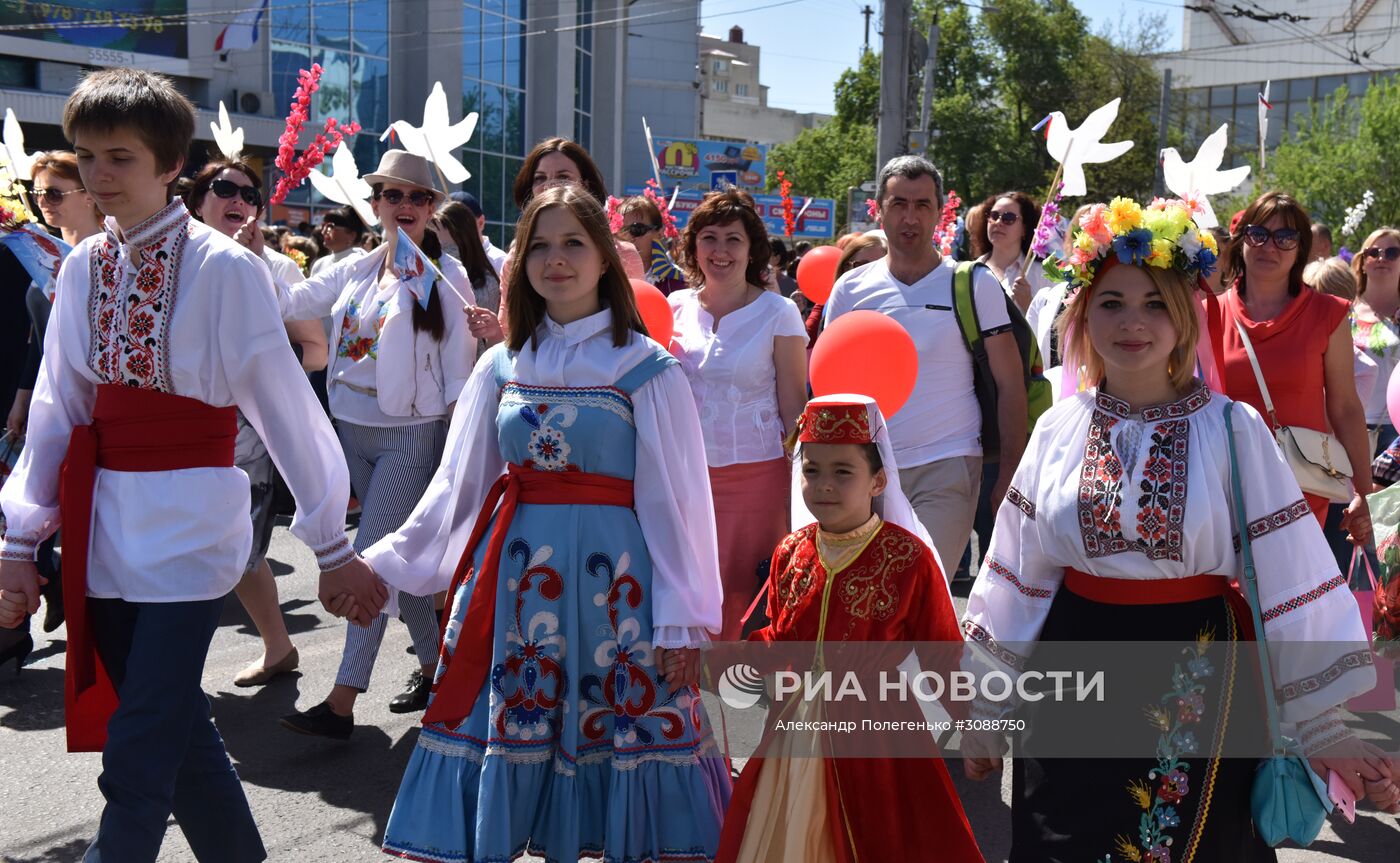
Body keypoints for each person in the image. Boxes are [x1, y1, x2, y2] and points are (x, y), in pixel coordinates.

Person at [0, 67, 382, 862]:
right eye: (86, 156)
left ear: (171, 164)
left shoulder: (225, 267)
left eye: (120, 157)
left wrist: (332, 539)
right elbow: (56, 408)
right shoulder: (79, 268)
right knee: (174, 723)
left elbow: (285, 405)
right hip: (104, 525)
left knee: (138, 737)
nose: (99, 176)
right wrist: (20, 537)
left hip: (190, 527)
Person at [961, 196, 1398, 860]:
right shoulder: (1058, 428)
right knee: (1061, 837)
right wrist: (988, 708)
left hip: (1196, 668)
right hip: (1073, 669)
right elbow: (1017, 572)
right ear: (1082, 313)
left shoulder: (1233, 428)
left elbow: (1291, 577)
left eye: (1155, 303)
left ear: (1187, 318)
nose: (1132, 321)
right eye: (1111, 302)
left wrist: (1321, 724)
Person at [360, 183, 730, 860]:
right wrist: (380, 564)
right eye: (539, 245)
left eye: (573, 243)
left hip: (619, 592)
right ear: (519, 261)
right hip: (516, 587)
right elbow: (457, 487)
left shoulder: (646, 368)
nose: (555, 260)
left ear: (604, 259)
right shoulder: (501, 364)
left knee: (626, 729)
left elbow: (678, 507)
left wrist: (686, 618)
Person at [255, 149, 492, 738]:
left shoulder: (448, 276)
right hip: (353, 435)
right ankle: (443, 677)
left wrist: (460, 460)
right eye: (393, 195)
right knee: (405, 569)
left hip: (410, 441)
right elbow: (289, 303)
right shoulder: (357, 269)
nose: (405, 205)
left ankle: (341, 700)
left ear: (433, 208)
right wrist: (249, 248)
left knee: (370, 561)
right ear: (377, 204)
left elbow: (462, 376)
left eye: (418, 197)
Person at [715, 395, 983, 863]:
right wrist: (708, 662)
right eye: (812, 470)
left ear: (878, 479)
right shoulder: (790, 553)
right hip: (792, 731)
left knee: (877, 835)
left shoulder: (908, 558)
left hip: (877, 735)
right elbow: (776, 642)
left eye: (843, 471)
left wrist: (971, 727)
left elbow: (942, 656)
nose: (824, 485)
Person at [824, 156, 1027, 578]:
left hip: (948, 466)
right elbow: (830, 388)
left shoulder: (974, 283)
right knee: (867, 600)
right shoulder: (850, 289)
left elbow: (1011, 384)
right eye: (899, 204)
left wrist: (1009, 474)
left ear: (940, 212)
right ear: (878, 209)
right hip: (867, 468)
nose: (910, 217)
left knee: (919, 594)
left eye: (922, 205)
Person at [184, 156, 330, 688]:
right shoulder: (171, 261)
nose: (239, 201)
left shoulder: (277, 268)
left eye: (251, 195)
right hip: (179, 424)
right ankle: (278, 647)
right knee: (207, 545)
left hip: (245, 429)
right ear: (196, 200)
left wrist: (257, 293)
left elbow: (315, 353)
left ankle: (179, 674)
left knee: (231, 547)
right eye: (225, 188)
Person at [670, 190, 808, 639]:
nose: (721, 251)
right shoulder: (673, 310)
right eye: (709, 238)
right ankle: (695, 695)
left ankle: (748, 690)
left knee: (750, 598)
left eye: (733, 239)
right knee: (692, 592)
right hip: (686, 478)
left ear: (752, 250)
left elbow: (793, 403)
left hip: (760, 477)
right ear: (693, 247)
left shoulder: (779, 312)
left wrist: (804, 480)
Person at [1205, 192, 1373, 534]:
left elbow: (1345, 408)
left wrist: (1364, 491)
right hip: (1221, 491)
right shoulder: (1208, 313)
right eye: (1258, 234)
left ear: (1301, 249)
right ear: (1241, 242)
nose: (1270, 246)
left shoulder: (1328, 313)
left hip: (1299, 495)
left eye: (1285, 238)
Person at [430, 199, 505, 359]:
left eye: (437, 236)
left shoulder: (486, 280)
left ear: (461, 236)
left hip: (473, 364)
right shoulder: (430, 270)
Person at [1350, 227, 1400, 452]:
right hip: (1349, 423)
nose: (1382, 258)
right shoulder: (1343, 310)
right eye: (1373, 252)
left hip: (1395, 431)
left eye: (1392, 253)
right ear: (1362, 262)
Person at [968, 191, 1051, 313]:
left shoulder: (1042, 274)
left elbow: (1054, 329)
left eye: (1008, 218)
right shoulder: (971, 271)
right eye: (994, 216)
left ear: (1024, 228)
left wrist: (1028, 305)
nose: (998, 222)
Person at [804, 233, 888, 347]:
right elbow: (808, 342)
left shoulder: (899, 303)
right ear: (845, 267)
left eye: (878, 266)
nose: (869, 272)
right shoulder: (830, 303)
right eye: (861, 265)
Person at [613, 194, 686, 294]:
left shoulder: (678, 282)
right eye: (622, 230)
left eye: (637, 229)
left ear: (660, 233)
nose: (628, 237)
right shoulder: (604, 278)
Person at [447, 189, 508, 277]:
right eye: (446, 224)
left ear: (481, 223)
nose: (453, 230)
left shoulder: (500, 261)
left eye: (462, 223)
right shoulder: (442, 260)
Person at [310, 206, 368, 276]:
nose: (323, 231)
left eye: (330, 227)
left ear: (352, 235)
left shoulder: (362, 263)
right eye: (323, 226)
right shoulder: (319, 264)